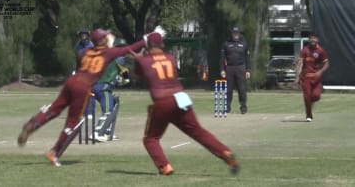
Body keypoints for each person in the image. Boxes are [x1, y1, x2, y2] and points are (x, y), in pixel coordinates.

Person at [17, 28, 148, 167]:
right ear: (102, 40)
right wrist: (146, 39)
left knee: (54, 109)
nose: (108, 37)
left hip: (72, 81)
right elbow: (130, 48)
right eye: (105, 36)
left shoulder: (85, 51)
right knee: (73, 123)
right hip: (83, 86)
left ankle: (33, 123)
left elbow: (81, 64)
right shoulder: (109, 52)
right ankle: (54, 152)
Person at [132, 32, 239, 175]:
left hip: (162, 101)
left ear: (148, 45)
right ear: (162, 44)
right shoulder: (171, 57)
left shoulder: (143, 60)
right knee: (198, 132)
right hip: (180, 97)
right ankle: (226, 153)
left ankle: (165, 166)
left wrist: (138, 58)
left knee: (151, 138)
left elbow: (138, 73)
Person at [294, 33, 329, 122]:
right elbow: (299, 63)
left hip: (316, 78)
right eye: (311, 38)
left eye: (314, 38)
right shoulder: (305, 50)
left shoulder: (320, 50)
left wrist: (320, 72)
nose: (313, 40)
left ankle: (311, 101)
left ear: (317, 40)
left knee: (316, 96)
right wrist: (297, 77)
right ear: (309, 40)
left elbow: (326, 63)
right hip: (306, 78)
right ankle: (308, 115)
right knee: (307, 97)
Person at [220, 26, 251, 114]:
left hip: (240, 68)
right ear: (232, 34)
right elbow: (222, 58)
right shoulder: (226, 44)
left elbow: (247, 58)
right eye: (234, 33)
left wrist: (248, 70)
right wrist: (222, 69)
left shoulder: (244, 44)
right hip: (229, 68)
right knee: (228, 89)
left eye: (237, 33)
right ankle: (227, 108)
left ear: (240, 34)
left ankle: (243, 107)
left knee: (242, 89)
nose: (236, 34)